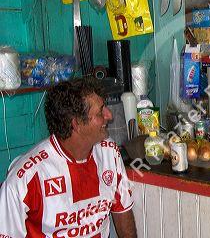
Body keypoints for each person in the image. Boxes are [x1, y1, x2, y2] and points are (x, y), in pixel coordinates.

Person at [0, 78, 137, 237]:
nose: (109, 115)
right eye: (100, 112)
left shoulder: (109, 151)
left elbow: (122, 210)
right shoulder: (25, 178)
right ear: (76, 123)